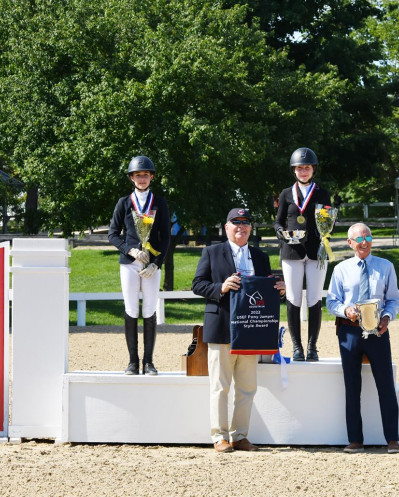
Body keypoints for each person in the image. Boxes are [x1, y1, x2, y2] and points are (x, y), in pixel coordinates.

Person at [192, 208, 286, 453]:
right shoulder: (211, 252)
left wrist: (280, 289)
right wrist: (221, 287)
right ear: (226, 227)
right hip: (222, 327)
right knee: (220, 386)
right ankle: (219, 436)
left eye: (245, 223)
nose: (241, 227)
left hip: (250, 331)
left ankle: (240, 436)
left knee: (247, 387)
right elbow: (197, 284)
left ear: (250, 229)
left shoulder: (260, 256)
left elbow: (267, 290)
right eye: (236, 223)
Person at [326, 223, 399, 454]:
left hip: (378, 332)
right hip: (349, 333)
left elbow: (394, 300)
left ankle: (392, 439)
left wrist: (387, 318)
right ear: (350, 243)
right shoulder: (340, 269)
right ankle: (355, 439)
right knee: (352, 386)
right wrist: (345, 310)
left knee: (386, 385)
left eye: (368, 237)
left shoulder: (386, 266)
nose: (365, 242)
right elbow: (331, 302)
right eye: (360, 239)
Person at [108, 156, 170, 376]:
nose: (142, 179)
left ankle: (149, 362)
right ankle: (133, 362)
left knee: (150, 309)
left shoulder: (159, 203)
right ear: (132, 178)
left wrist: (156, 263)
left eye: (145, 175)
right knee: (131, 309)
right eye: (138, 175)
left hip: (151, 264)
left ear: (151, 177)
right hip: (130, 264)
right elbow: (112, 234)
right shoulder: (124, 203)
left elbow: (165, 236)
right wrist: (130, 250)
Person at [274, 148, 331, 361]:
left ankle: (312, 347)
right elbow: (278, 221)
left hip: (317, 250)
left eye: (307, 167)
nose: (303, 171)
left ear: (313, 169)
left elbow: (328, 220)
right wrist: (281, 233)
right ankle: (297, 347)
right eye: (300, 168)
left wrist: (327, 230)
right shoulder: (286, 194)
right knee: (293, 298)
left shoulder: (322, 193)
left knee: (315, 298)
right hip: (291, 251)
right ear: (294, 170)